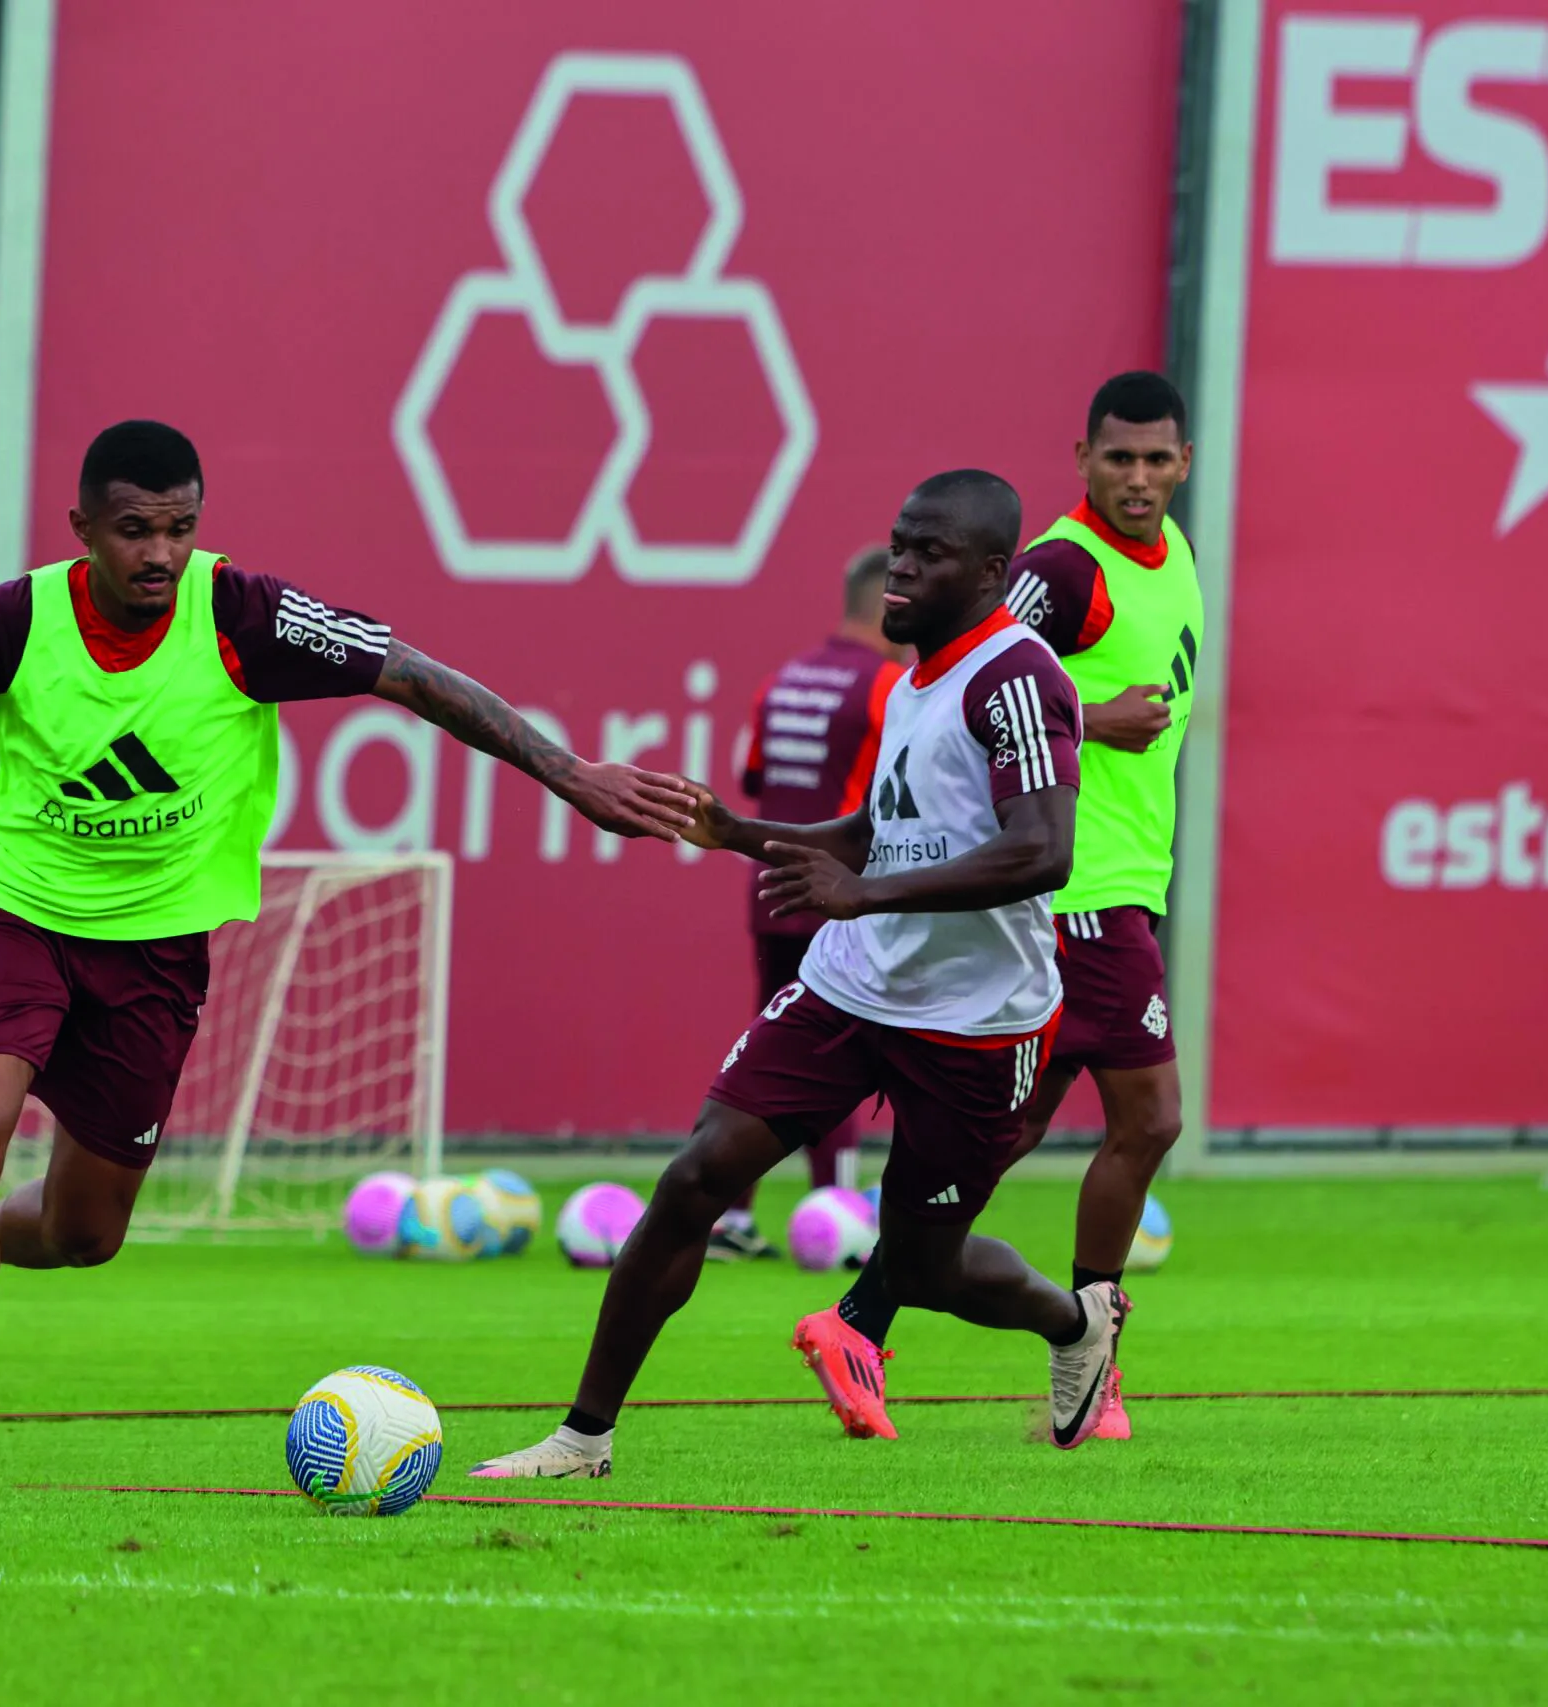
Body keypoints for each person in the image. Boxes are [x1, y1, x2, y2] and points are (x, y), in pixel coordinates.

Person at [0, 421, 697, 1489]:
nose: (160, 554)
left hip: (155, 956)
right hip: (17, 922)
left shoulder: (243, 616)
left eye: (180, 528)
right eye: (135, 531)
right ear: (82, 528)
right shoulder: (10, 622)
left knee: (87, 1232)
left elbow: (412, 678)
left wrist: (568, 774)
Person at [471, 470, 1124, 1479]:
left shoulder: (1017, 678)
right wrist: (738, 834)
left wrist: (865, 895)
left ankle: (1073, 1321)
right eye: (898, 544)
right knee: (697, 1177)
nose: (901, 565)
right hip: (849, 987)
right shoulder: (912, 681)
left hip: (978, 1020)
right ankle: (581, 1440)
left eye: (930, 552)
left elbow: (1044, 852)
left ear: (994, 571)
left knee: (922, 1264)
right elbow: (873, 833)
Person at [827, 372, 1198, 1443]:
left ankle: (859, 1321)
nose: (1136, 478)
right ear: (1080, 459)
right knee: (1150, 1120)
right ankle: (1093, 1357)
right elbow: (969, 663)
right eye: (1116, 458)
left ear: (1183, 463)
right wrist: (1093, 712)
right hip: (1074, 894)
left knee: (1001, 1136)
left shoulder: (1171, 559)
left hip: (1122, 882)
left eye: (1155, 459)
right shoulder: (1062, 566)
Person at [706, 547, 905, 1261]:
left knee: (769, 1042)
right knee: (844, 1047)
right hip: (840, 891)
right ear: (889, 601)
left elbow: (754, 776)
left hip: (770, 886)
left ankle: (731, 1214)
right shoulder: (888, 685)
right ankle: (843, 1217)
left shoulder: (783, 679)